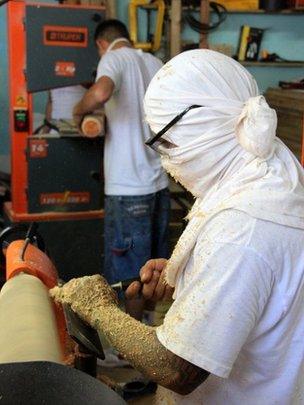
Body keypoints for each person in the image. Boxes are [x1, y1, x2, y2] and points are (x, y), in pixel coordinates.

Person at [51, 49, 304, 404]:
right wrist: (188, 273)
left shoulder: (243, 228)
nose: (166, 157)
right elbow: (262, 282)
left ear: (203, 124)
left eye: (166, 143)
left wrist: (98, 308)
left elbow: (175, 368)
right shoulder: (265, 168)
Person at [72, 20, 169, 320]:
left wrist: (79, 111)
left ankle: (123, 344)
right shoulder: (154, 62)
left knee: (128, 272)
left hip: (129, 189)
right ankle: (149, 328)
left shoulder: (113, 59)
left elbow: (101, 92)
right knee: (154, 268)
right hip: (159, 184)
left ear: (102, 43)